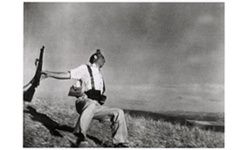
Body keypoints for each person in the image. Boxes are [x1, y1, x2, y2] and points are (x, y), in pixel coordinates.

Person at [42, 49, 129, 147]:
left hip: (96, 106)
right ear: (96, 58)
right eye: (102, 58)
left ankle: (120, 143)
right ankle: (79, 135)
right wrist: (49, 74)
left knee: (119, 112)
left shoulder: (100, 76)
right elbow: (67, 74)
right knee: (91, 104)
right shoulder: (85, 68)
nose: (105, 60)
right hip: (83, 102)